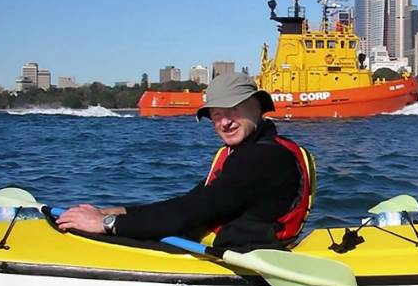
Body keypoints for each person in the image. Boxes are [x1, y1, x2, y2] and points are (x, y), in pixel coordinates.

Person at [57, 72, 316, 252]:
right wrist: (117, 212)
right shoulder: (247, 151)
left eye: (233, 110)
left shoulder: (261, 159)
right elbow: (192, 202)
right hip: (244, 246)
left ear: (257, 108)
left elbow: (185, 215)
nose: (224, 122)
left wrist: (105, 225)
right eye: (216, 115)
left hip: (247, 255)